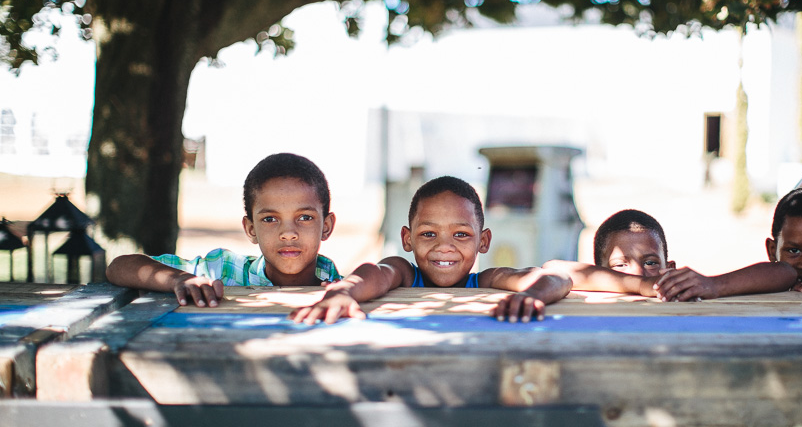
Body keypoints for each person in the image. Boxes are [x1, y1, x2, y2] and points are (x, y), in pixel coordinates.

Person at [289, 176, 572, 325]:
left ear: (483, 241)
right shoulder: (405, 274)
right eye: (428, 234)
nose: (444, 247)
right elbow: (377, 273)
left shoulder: (485, 281)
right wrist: (343, 292)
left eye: (461, 234)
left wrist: (532, 296)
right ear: (407, 238)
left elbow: (556, 277)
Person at [106, 153, 340, 307]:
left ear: (326, 227)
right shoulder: (223, 271)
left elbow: (378, 271)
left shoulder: (338, 286)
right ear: (251, 229)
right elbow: (120, 266)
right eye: (270, 219)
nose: (288, 233)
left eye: (305, 217)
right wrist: (180, 279)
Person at [545, 209, 797, 302]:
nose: (638, 274)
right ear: (598, 271)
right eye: (620, 265)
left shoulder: (677, 290)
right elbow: (553, 266)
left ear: (670, 267)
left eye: (651, 262)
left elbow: (785, 271)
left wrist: (714, 284)